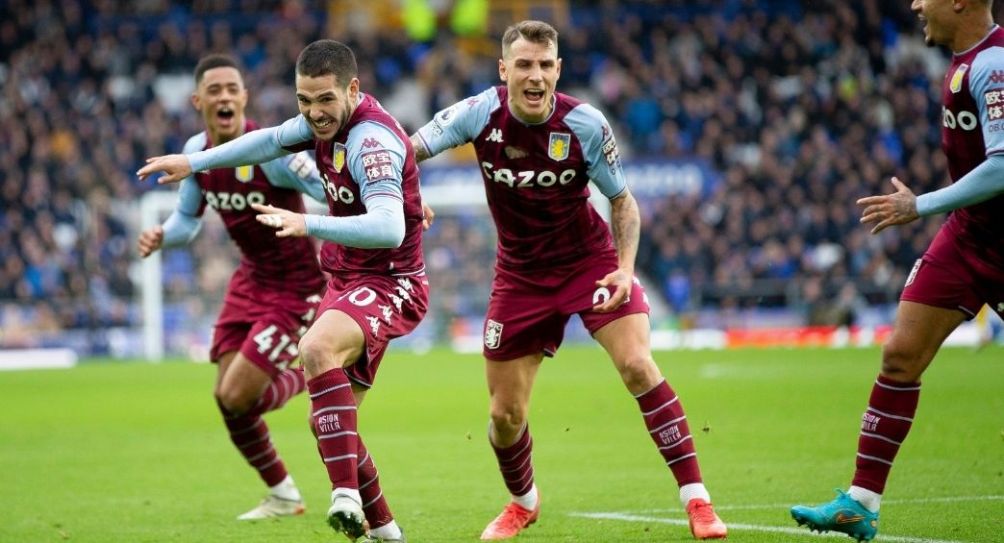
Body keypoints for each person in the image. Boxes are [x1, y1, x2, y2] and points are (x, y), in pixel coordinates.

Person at [410, 20, 727, 540]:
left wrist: (624, 270)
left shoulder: (584, 124)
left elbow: (623, 202)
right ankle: (523, 502)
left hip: (589, 263)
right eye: (524, 65)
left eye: (544, 66)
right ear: (503, 70)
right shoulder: (477, 113)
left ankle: (698, 502)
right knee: (504, 415)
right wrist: (408, 193)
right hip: (519, 275)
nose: (535, 76)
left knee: (638, 366)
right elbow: (404, 151)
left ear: (558, 69)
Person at [138, 40, 427, 543]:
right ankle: (386, 532)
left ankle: (343, 498)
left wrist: (309, 221)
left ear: (352, 90)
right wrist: (196, 165)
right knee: (327, 426)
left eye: (324, 101)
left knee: (313, 353)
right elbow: (270, 139)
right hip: (330, 277)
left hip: (387, 281)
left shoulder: (370, 140)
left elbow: (387, 228)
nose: (313, 113)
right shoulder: (316, 125)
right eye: (303, 101)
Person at [791, 1, 1004, 541]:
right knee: (900, 355)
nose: (914, 4)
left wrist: (921, 205)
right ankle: (860, 502)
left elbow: (1003, 165)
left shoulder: (992, 66)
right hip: (968, 237)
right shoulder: (962, 63)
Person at [137, 53, 327, 521]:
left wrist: (391, 203)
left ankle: (320, 367)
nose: (225, 97)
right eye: (215, 90)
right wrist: (163, 234)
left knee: (238, 395)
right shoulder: (195, 153)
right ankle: (282, 494)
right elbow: (187, 219)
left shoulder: (272, 151)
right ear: (198, 100)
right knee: (227, 397)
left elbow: (329, 190)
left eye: (232, 89)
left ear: (244, 97)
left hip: (297, 286)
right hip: (250, 281)